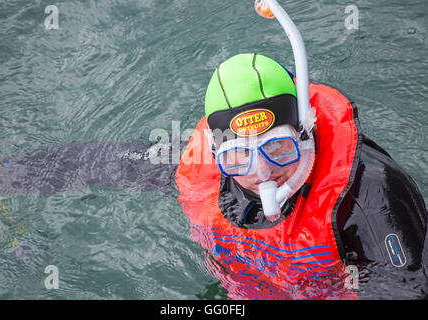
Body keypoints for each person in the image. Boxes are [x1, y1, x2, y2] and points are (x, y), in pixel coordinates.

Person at [175, 53, 428, 299]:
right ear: (215, 152)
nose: (263, 173)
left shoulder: (369, 192)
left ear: (305, 132)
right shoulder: (201, 170)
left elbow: (405, 289)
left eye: (276, 145)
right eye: (240, 153)